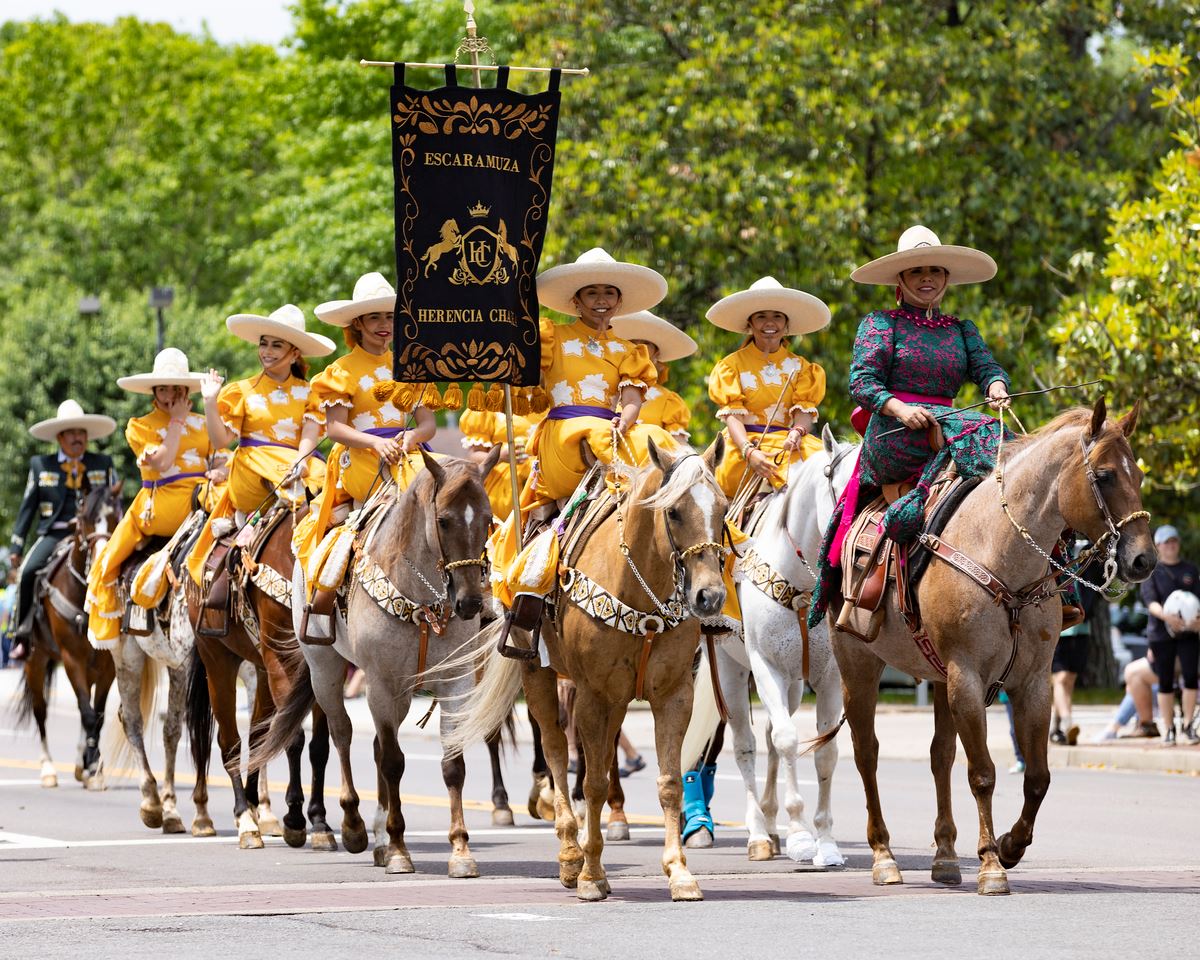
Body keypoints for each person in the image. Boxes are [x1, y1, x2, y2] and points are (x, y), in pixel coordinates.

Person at [809, 225, 1012, 629]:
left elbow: (987, 367)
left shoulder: (962, 329)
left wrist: (995, 385)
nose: (927, 279)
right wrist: (900, 409)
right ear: (900, 279)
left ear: (946, 279)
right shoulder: (882, 323)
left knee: (1014, 452)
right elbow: (862, 382)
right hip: (894, 431)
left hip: (950, 426)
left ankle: (1049, 577)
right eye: (917, 272)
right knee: (981, 436)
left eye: (935, 272)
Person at [490, 248, 675, 609]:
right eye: (592, 293)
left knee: (661, 440)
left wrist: (627, 418)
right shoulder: (551, 336)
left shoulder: (628, 349)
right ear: (576, 300)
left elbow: (633, 399)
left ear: (619, 300)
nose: (601, 300)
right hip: (562, 432)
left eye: (609, 293)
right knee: (594, 430)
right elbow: (520, 373)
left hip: (610, 430)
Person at [291, 272, 436, 612]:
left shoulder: (409, 363)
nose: (384, 324)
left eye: (389, 316)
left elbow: (428, 424)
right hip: (360, 457)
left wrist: (411, 436)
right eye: (374, 317)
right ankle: (331, 588)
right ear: (357, 322)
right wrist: (375, 443)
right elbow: (336, 430)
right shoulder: (341, 370)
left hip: (406, 453)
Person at [185, 304, 334, 588]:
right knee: (295, 482)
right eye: (263, 343)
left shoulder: (310, 392)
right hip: (251, 468)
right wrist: (209, 402)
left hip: (293, 463)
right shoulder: (240, 391)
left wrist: (302, 461)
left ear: (295, 354)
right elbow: (219, 442)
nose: (266, 351)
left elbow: (310, 435)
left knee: (327, 480)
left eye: (276, 345)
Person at [86, 350, 211, 649]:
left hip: (203, 502)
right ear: (154, 391)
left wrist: (218, 470)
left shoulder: (204, 423)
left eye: (175, 388)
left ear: (185, 390)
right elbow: (162, 463)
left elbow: (217, 457)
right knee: (107, 562)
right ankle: (114, 630)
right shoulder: (140, 425)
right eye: (163, 388)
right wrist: (178, 422)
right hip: (161, 507)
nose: (169, 395)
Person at [9, 400, 118, 660]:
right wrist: (16, 545)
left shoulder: (102, 462)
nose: (78, 438)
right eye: (71, 433)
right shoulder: (40, 465)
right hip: (55, 533)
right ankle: (22, 632)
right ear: (59, 437)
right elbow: (28, 507)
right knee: (27, 572)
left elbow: (116, 504)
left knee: (122, 570)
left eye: (81, 433)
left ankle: (125, 628)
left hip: (95, 534)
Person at [706, 277, 829, 502]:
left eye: (777, 316)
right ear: (750, 324)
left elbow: (804, 412)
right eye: (761, 316)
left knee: (828, 469)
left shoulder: (803, 367)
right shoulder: (730, 365)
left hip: (787, 442)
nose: (769, 323)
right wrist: (749, 452)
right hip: (744, 443)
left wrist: (797, 432)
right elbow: (732, 416)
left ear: (786, 324)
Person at [1140, 524, 1200, 745]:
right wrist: (1167, 617)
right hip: (1161, 634)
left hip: (1189, 633)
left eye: (1174, 541)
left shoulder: (1190, 570)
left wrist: (1196, 621)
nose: (1171, 546)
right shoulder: (1152, 571)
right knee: (1165, 681)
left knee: (1191, 678)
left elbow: (1197, 599)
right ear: (1158, 546)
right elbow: (1151, 602)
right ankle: (1168, 728)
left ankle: (1187, 726)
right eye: (1166, 542)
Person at [610, 309, 697, 447]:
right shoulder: (604, 386)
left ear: (657, 355)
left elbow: (678, 446)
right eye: (631, 341)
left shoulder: (668, 400)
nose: (638, 347)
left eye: (645, 343)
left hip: (650, 464)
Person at [1050, 552, 1109, 745]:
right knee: (1060, 678)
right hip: (1060, 628)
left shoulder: (1089, 560)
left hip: (1082, 628)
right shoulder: (1054, 556)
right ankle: (1068, 723)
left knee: (1069, 680)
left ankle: (1055, 726)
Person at [0, 565, 18, 667]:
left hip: (9, 617)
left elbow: (7, 607)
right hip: (15, 616)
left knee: (6, 639)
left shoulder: (10, 589)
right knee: (12, 639)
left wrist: (3, 620)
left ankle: (8, 662)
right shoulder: (16, 588)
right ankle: (12, 661)